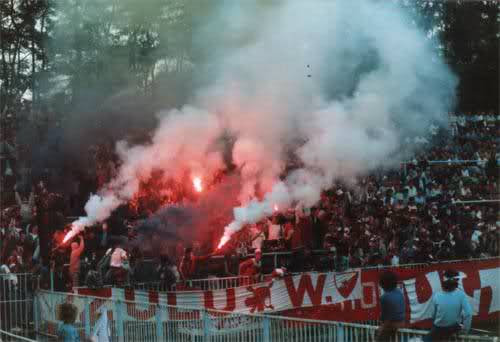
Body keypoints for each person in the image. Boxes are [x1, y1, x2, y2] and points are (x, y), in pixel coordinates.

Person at [424, 269, 472, 341]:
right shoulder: (461, 295)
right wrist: (465, 330)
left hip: (438, 329)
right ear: (456, 282)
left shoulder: (437, 296)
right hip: (453, 328)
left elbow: (433, 315)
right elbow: (468, 313)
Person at [376, 271, 405, 341]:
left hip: (392, 326)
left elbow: (386, 319)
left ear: (383, 284)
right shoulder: (399, 292)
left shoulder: (385, 297)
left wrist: (380, 332)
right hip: (402, 324)